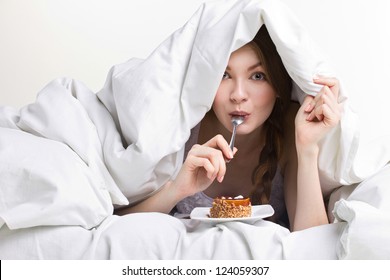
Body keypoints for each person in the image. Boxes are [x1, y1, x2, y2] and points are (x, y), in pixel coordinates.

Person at [115, 25, 341, 231]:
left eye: (257, 76)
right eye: (224, 75)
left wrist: (308, 148)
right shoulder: (183, 125)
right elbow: (116, 229)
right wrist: (177, 190)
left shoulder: (291, 126)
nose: (238, 95)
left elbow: (313, 244)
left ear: (278, 85)